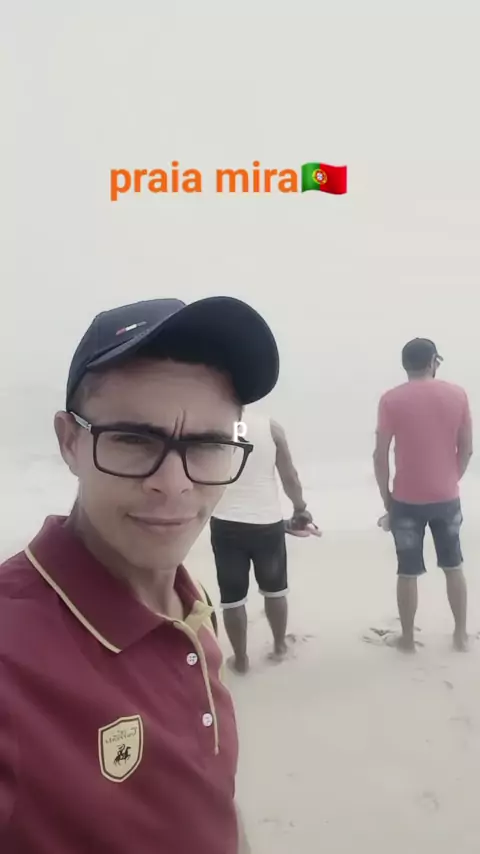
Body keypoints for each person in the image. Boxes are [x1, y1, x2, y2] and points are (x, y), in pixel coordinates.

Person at [0, 296, 280, 854]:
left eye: (207, 445)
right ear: (69, 442)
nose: (174, 485)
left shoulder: (189, 601)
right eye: (133, 439)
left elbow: (211, 797)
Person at [373, 338, 473, 653]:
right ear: (432, 362)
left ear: (406, 365)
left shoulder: (391, 400)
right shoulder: (458, 395)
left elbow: (380, 455)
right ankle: (460, 636)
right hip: (446, 497)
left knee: (407, 571)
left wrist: (387, 499)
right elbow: (467, 448)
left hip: (406, 499)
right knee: (453, 566)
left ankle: (407, 639)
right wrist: (449, 479)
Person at [210, 409, 320, 673]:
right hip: (266, 523)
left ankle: (241, 659)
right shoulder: (271, 428)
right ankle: (279, 646)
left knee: (232, 598)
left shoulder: (213, 422)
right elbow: (289, 476)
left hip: (225, 522)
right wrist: (300, 508)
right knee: (275, 589)